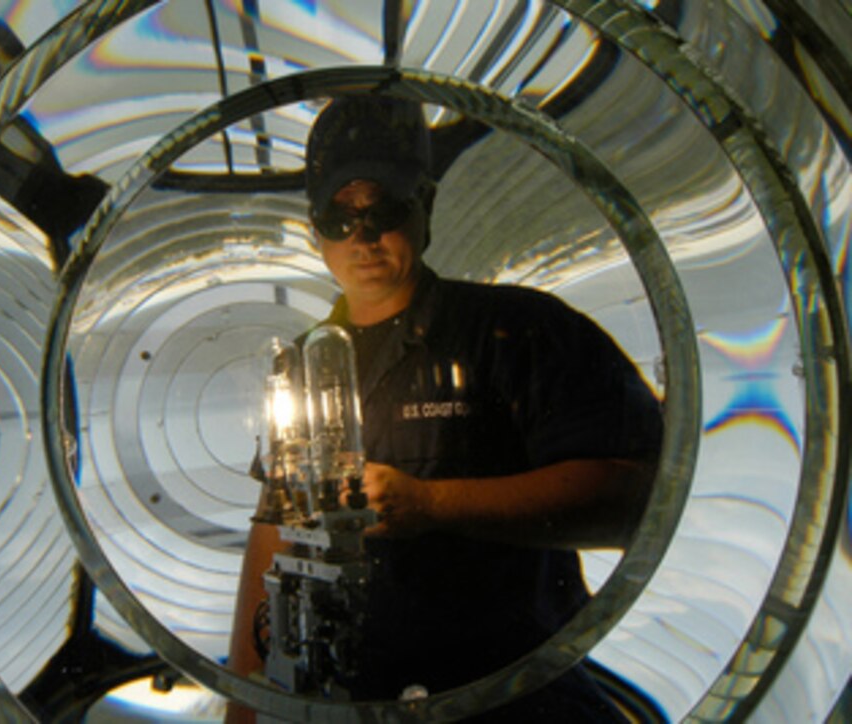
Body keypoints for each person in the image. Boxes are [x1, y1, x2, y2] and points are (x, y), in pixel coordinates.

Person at [226, 95, 664, 722]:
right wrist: (246, 706)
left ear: (426, 206)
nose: (364, 235)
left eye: (386, 208)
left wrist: (430, 505)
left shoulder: (520, 332)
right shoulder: (300, 369)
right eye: (339, 215)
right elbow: (273, 532)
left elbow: (638, 502)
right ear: (313, 227)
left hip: (515, 697)